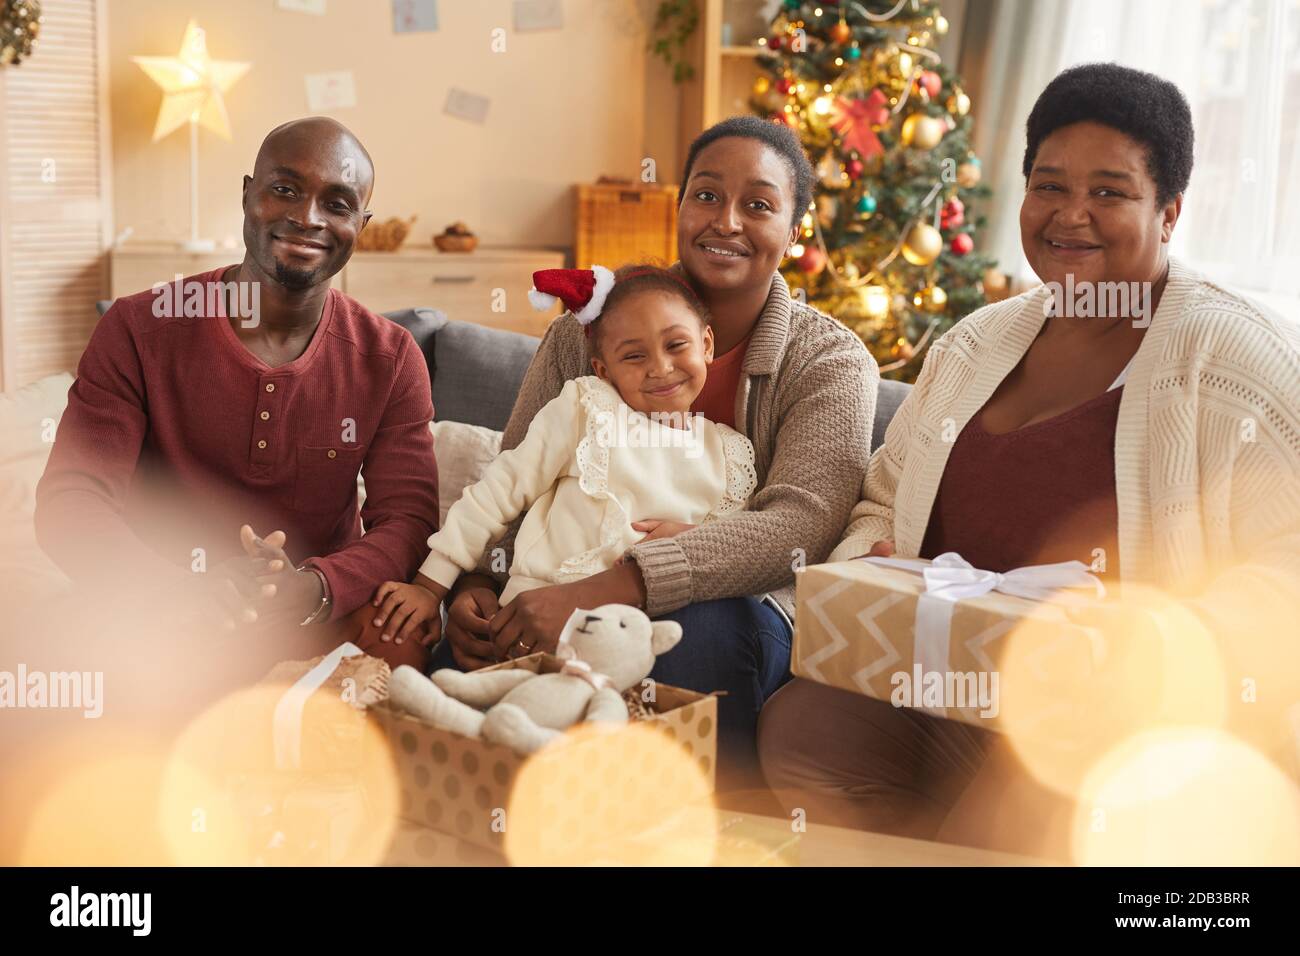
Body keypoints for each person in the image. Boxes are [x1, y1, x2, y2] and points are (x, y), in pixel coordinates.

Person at [758, 63, 1300, 857]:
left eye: (1110, 192)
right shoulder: (974, 343)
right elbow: (882, 498)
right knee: (803, 724)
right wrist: (870, 561)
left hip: (1116, 720)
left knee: (1029, 788)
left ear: (1170, 211)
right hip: (949, 695)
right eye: (1049, 185)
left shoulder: (1235, 365)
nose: (1070, 215)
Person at [428, 116, 879, 791]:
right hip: (557, 579)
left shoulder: (830, 361)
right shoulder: (584, 335)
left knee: (708, 635)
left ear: (794, 229)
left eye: (758, 205)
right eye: (705, 195)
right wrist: (474, 587)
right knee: (452, 668)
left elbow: (801, 526)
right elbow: (518, 478)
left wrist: (615, 585)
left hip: (731, 610)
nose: (725, 220)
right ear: (679, 207)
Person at [34, 117, 440, 684]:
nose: (307, 218)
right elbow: (71, 502)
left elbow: (407, 522)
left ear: (361, 225)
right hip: (161, 610)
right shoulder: (137, 327)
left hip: (312, 612)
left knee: (400, 637)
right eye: (285, 190)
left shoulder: (392, 357)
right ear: (248, 194)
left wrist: (317, 586)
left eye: (338, 203)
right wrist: (179, 588)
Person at [372, 264, 758, 642]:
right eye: (633, 356)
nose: (660, 368)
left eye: (676, 345)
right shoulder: (587, 408)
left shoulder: (727, 453)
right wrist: (430, 585)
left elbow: (729, 554)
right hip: (531, 614)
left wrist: (691, 540)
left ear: (706, 344)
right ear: (604, 371)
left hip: (640, 638)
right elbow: (498, 493)